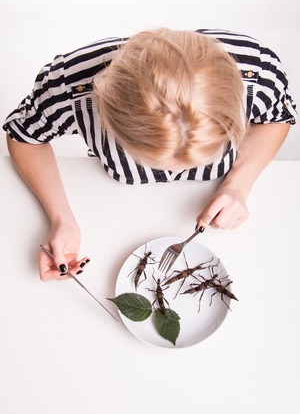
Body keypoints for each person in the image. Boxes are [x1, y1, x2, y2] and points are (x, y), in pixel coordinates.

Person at [3, 28, 297, 282]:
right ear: (108, 120)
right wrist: (60, 218)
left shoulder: (259, 73)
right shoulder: (67, 87)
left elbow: (277, 117)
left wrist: (239, 185)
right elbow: (24, 136)